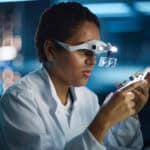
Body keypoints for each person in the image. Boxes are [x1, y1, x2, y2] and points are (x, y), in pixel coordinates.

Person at [0, 2, 149, 150]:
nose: (92, 60)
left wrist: (128, 115)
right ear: (51, 50)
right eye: (84, 50)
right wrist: (102, 121)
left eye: (96, 50)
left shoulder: (88, 98)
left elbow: (110, 147)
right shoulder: (19, 100)